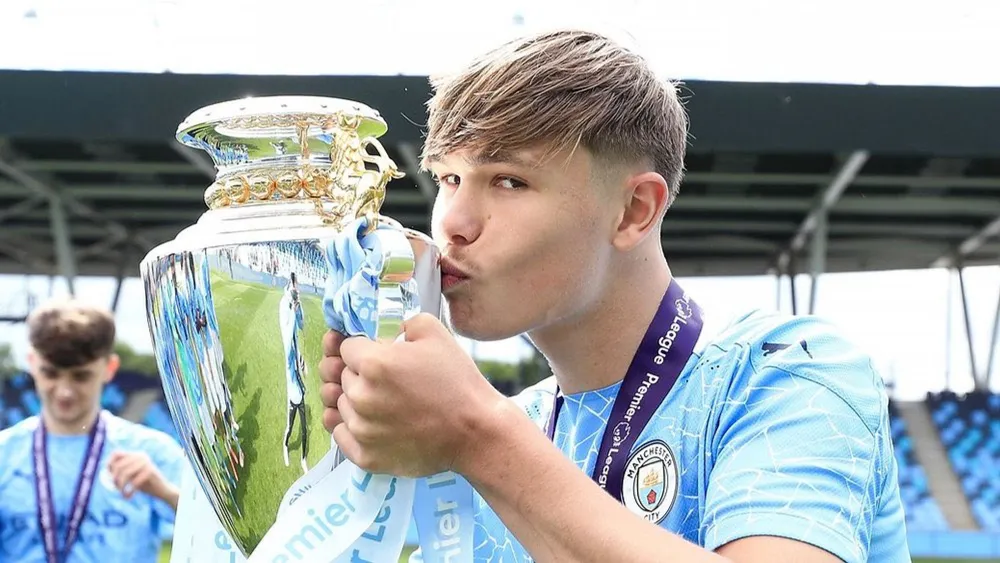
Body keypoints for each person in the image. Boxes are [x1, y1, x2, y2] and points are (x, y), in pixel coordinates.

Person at [318, 29, 909, 563]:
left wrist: (476, 435)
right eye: (450, 178)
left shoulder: (786, 371)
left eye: (509, 181)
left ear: (634, 210)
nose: (453, 222)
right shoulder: (503, 429)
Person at [0, 298, 187, 562]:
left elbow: (215, 535)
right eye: (51, 373)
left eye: (81, 376)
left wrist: (166, 493)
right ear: (31, 363)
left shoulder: (152, 453)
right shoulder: (4, 454)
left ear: (109, 368)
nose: (65, 391)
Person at [279, 272, 308, 474]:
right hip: (292, 387)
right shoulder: (283, 305)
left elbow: (301, 325)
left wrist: (298, 308)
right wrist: (291, 308)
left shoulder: (293, 301)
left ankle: (304, 459)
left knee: (304, 428)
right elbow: (288, 338)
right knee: (290, 427)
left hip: (299, 384)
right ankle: (285, 446)